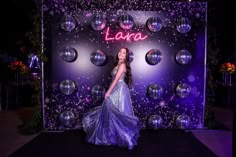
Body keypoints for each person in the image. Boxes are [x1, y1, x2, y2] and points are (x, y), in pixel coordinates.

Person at [82, 47, 140, 150]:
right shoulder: (117, 64)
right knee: (112, 111)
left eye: (124, 53)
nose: (121, 54)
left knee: (118, 111)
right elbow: (114, 79)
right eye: (120, 52)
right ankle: (113, 136)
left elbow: (117, 79)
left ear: (126, 56)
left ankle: (125, 137)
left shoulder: (122, 65)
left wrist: (108, 91)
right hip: (116, 87)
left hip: (120, 89)